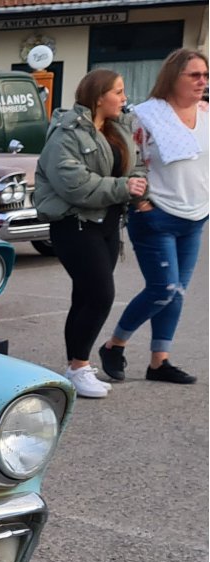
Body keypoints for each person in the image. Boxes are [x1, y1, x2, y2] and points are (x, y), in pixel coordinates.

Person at [31, 70, 147, 399]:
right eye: (119, 92)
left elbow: (136, 165)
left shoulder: (117, 127)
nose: (124, 99)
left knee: (84, 296)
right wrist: (125, 187)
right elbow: (76, 185)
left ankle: (75, 367)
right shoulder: (66, 133)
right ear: (99, 97)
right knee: (100, 296)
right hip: (75, 224)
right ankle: (80, 367)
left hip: (108, 223)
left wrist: (138, 185)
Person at [97, 48, 208, 386]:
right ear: (173, 76)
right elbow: (128, 159)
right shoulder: (145, 116)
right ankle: (114, 345)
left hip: (196, 215)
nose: (202, 81)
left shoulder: (206, 113)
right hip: (156, 215)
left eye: (205, 75)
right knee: (164, 288)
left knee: (178, 293)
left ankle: (159, 362)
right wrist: (141, 202)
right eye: (195, 75)